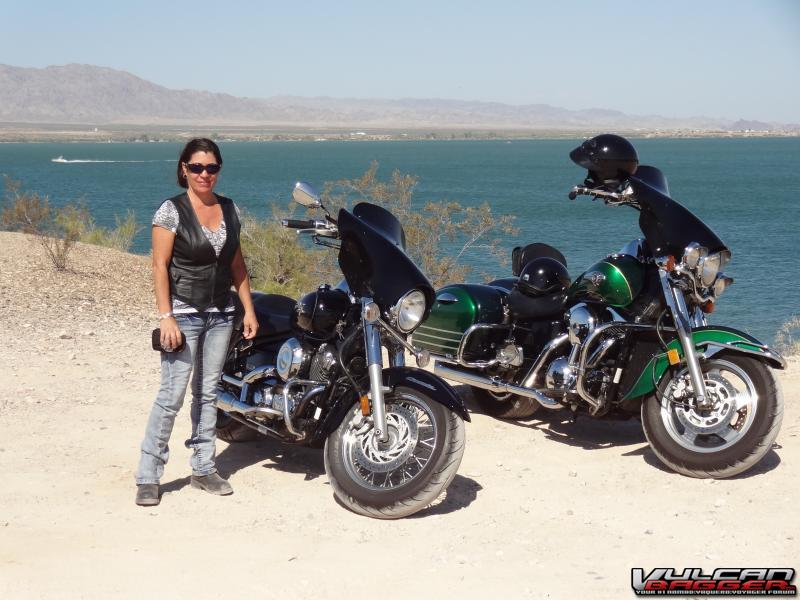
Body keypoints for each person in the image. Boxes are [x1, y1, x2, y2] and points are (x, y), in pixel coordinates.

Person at [135, 138, 258, 506]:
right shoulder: (170, 211)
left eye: (212, 168)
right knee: (171, 395)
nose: (205, 174)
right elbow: (159, 266)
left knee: (208, 393)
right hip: (184, 313)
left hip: (221, 313)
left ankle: (204, 468)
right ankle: (148, 476)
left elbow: (237, 266)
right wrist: (166, 316)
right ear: (183, 169)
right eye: (197, 167)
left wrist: (248, 309)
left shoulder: (230, 209)